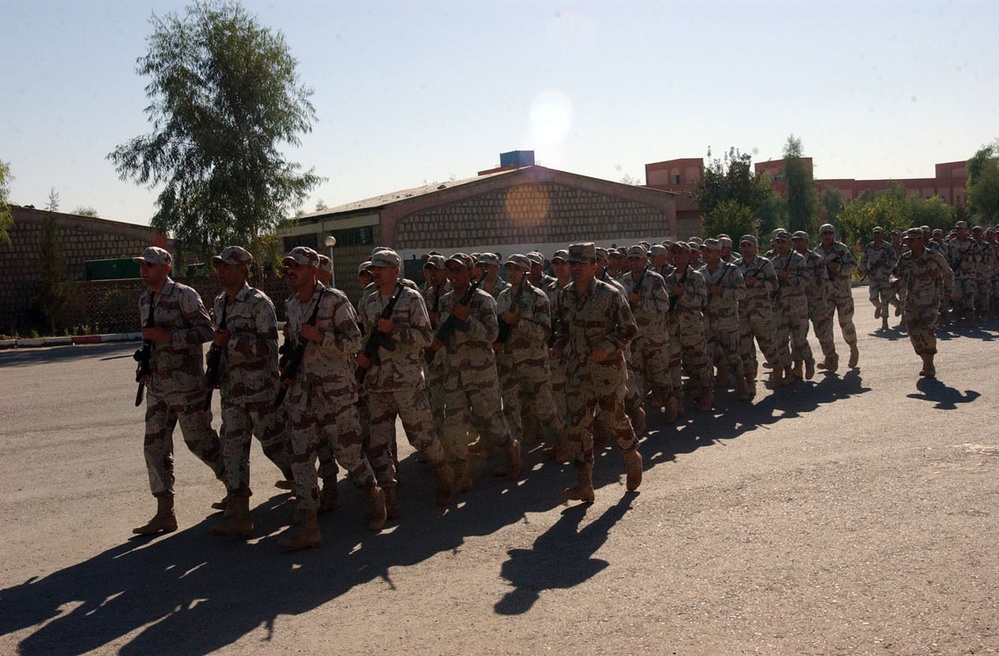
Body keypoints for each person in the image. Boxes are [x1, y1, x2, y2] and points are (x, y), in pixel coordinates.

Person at [278, 246, 386, 550]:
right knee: (300, 457)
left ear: (313, 270)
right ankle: (310, 525)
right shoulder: (290, 304)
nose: (290, 272)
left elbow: (355, 342)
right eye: (287, 268)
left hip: (335, 393)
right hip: (303, 394)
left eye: (295, 267)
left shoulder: (335, 300)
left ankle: (375, 498)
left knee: (349, 455)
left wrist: (322, 338)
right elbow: (293, 342)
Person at [131, 246, 226, 536]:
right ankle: (165, 512)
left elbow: (206, 331)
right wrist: (146, 364)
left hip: (186, 386)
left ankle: (234, 484)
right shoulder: (145, 298)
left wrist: (168, 336)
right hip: (157, 387)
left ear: (165, 267)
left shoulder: (185, 295)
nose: (143, 269)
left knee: (198, 441)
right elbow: (150, 340)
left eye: (149, 264)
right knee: (154, 446)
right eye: (142, 264)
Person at [357, 248, 454, 517]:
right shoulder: (370, 300)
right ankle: (388, 495)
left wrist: (396, 332)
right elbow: (367, 335)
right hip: (378, 383)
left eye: (382, 267)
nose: (375, 271)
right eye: (373, 267)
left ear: (395, 270)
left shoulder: (411, 298)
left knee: (421, 436)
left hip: (407, 381)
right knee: (378, 442)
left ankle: (444, 476)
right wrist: (362, 361)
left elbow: (426, 337)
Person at [208, 246, 294, 539]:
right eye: (219, 266)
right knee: (232, 450)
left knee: (275, 445)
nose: (221, 271)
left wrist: (230, 342)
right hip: (233, 392)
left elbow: (269, 348)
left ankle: (305, 485)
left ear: (243, 269)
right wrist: (214, 365)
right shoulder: (220, 302)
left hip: (261, 391)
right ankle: (240, 514)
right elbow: (217, 343)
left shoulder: (258, 302)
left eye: (227, 266)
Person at [551, 242, 642, 503]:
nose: (576, 268)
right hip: (577, 372)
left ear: (595, 266)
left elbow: (629, 329)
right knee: (578, 427)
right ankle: (584, 484)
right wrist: (557, 347)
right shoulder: (564, 295)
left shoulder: (610, 294)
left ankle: (631, 455)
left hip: (607, 372)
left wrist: (607, 344)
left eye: (581, 264)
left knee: (614, 418)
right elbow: (562, 329)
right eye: (573, 264)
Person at [431, 253, 521, 491]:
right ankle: (462, 474)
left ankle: (511, 450)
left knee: (492, 420)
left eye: (459, 270)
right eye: (450, 271)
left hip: (481, 373)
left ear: (470, 273)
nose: (454, 275)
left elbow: (492, 336)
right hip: (454, 373)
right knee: (454, 426)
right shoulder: (445, 301)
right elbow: (442, 330)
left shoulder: (483, 300)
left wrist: (467, 318)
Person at [493, 254, 569, 459]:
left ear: (526, 271)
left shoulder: (538, 297)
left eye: (516, 269)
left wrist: (518, 322)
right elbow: (500, 326)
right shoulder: (503, 297)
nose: (511, 273)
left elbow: (545, 332)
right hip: (509, 362)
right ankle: (513, 459)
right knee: (510, 411)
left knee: (544, 409)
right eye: (509, 269)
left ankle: (564, 441)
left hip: (533, 362)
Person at [619, 244, 678, 422]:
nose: (634, 262)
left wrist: (641, 301)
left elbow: (664, 306)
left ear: (645, 260)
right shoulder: (624, 281)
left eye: (637, 258)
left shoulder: (655, 279)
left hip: (655, 338)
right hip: (634, 339)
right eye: (631, 259)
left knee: (660, 375)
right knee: (635, 378)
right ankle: (638, 413)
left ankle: (670, 403)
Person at [890, 228, 954, 377]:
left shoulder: (934, 256)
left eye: (911, 240)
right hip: (911, 302)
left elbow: (948, 273)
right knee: (914, 335)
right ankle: (924, 358)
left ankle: (929, 363)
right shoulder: (905, 258)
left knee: (927, 332)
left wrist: (948, 292)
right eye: (907, 240)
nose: (908, 243)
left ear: (920, 240)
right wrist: (894, 280)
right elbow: (894, 272)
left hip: (930, 301)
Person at [699, 238, 750, 399]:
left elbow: (742, 293)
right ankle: (708, 394)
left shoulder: (732, 270)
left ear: (719, 252)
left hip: (727, 323)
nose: (705, 254)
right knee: (707, 359)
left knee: (734, 356)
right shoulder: (700, 273)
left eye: (709, 251)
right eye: (703, 251)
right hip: (708, 323)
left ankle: (743, 384)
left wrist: (723, 291)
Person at [737, 235, 783, 392]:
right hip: (742, 314)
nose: (746, 249)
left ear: (755, 247)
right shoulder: (735, 266)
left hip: (761, 313)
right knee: (745, 350)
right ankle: (750, 381)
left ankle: (777, 368)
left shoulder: (764, 264)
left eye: (749, 246)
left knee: (767, 345)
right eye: (743, 246)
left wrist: (757, 283)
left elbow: (775, 284)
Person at [814, 223, 860, 369]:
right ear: (820, 235)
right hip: (825, 295)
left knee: (846, 324)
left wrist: (838, 268)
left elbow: (853, 267)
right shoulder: (817, 251)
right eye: (824, 233)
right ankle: (830, 357)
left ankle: (853, 347)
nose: (827, 236)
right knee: (825, 328)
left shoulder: (842, 249)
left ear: (834, 234)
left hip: (842, 294)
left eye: (830, 233)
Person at [771, 230, 815, 382]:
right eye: (778, 242)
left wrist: (788, 277)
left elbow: (806, 280)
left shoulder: (798, 259)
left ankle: (808, 360)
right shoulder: (773, 262)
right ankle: (788, 371)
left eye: (783, 242)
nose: (781, 245)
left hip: (797, 307)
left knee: (799, 340)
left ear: (789, 243)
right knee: (781, 340)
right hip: (780, 307)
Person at [860, 226, 897, 330]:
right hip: (873, 277)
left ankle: (884, 321)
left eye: (879, 233)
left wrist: (885, 262)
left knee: (885, 300)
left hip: (885, 277)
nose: (877, 235)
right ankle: (878, 306)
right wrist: (865, 269)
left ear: (882, 234)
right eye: (875, 233)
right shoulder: (869, 247)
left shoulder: (888, 247)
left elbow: (894, 261)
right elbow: (863, 259)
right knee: (873, 297)